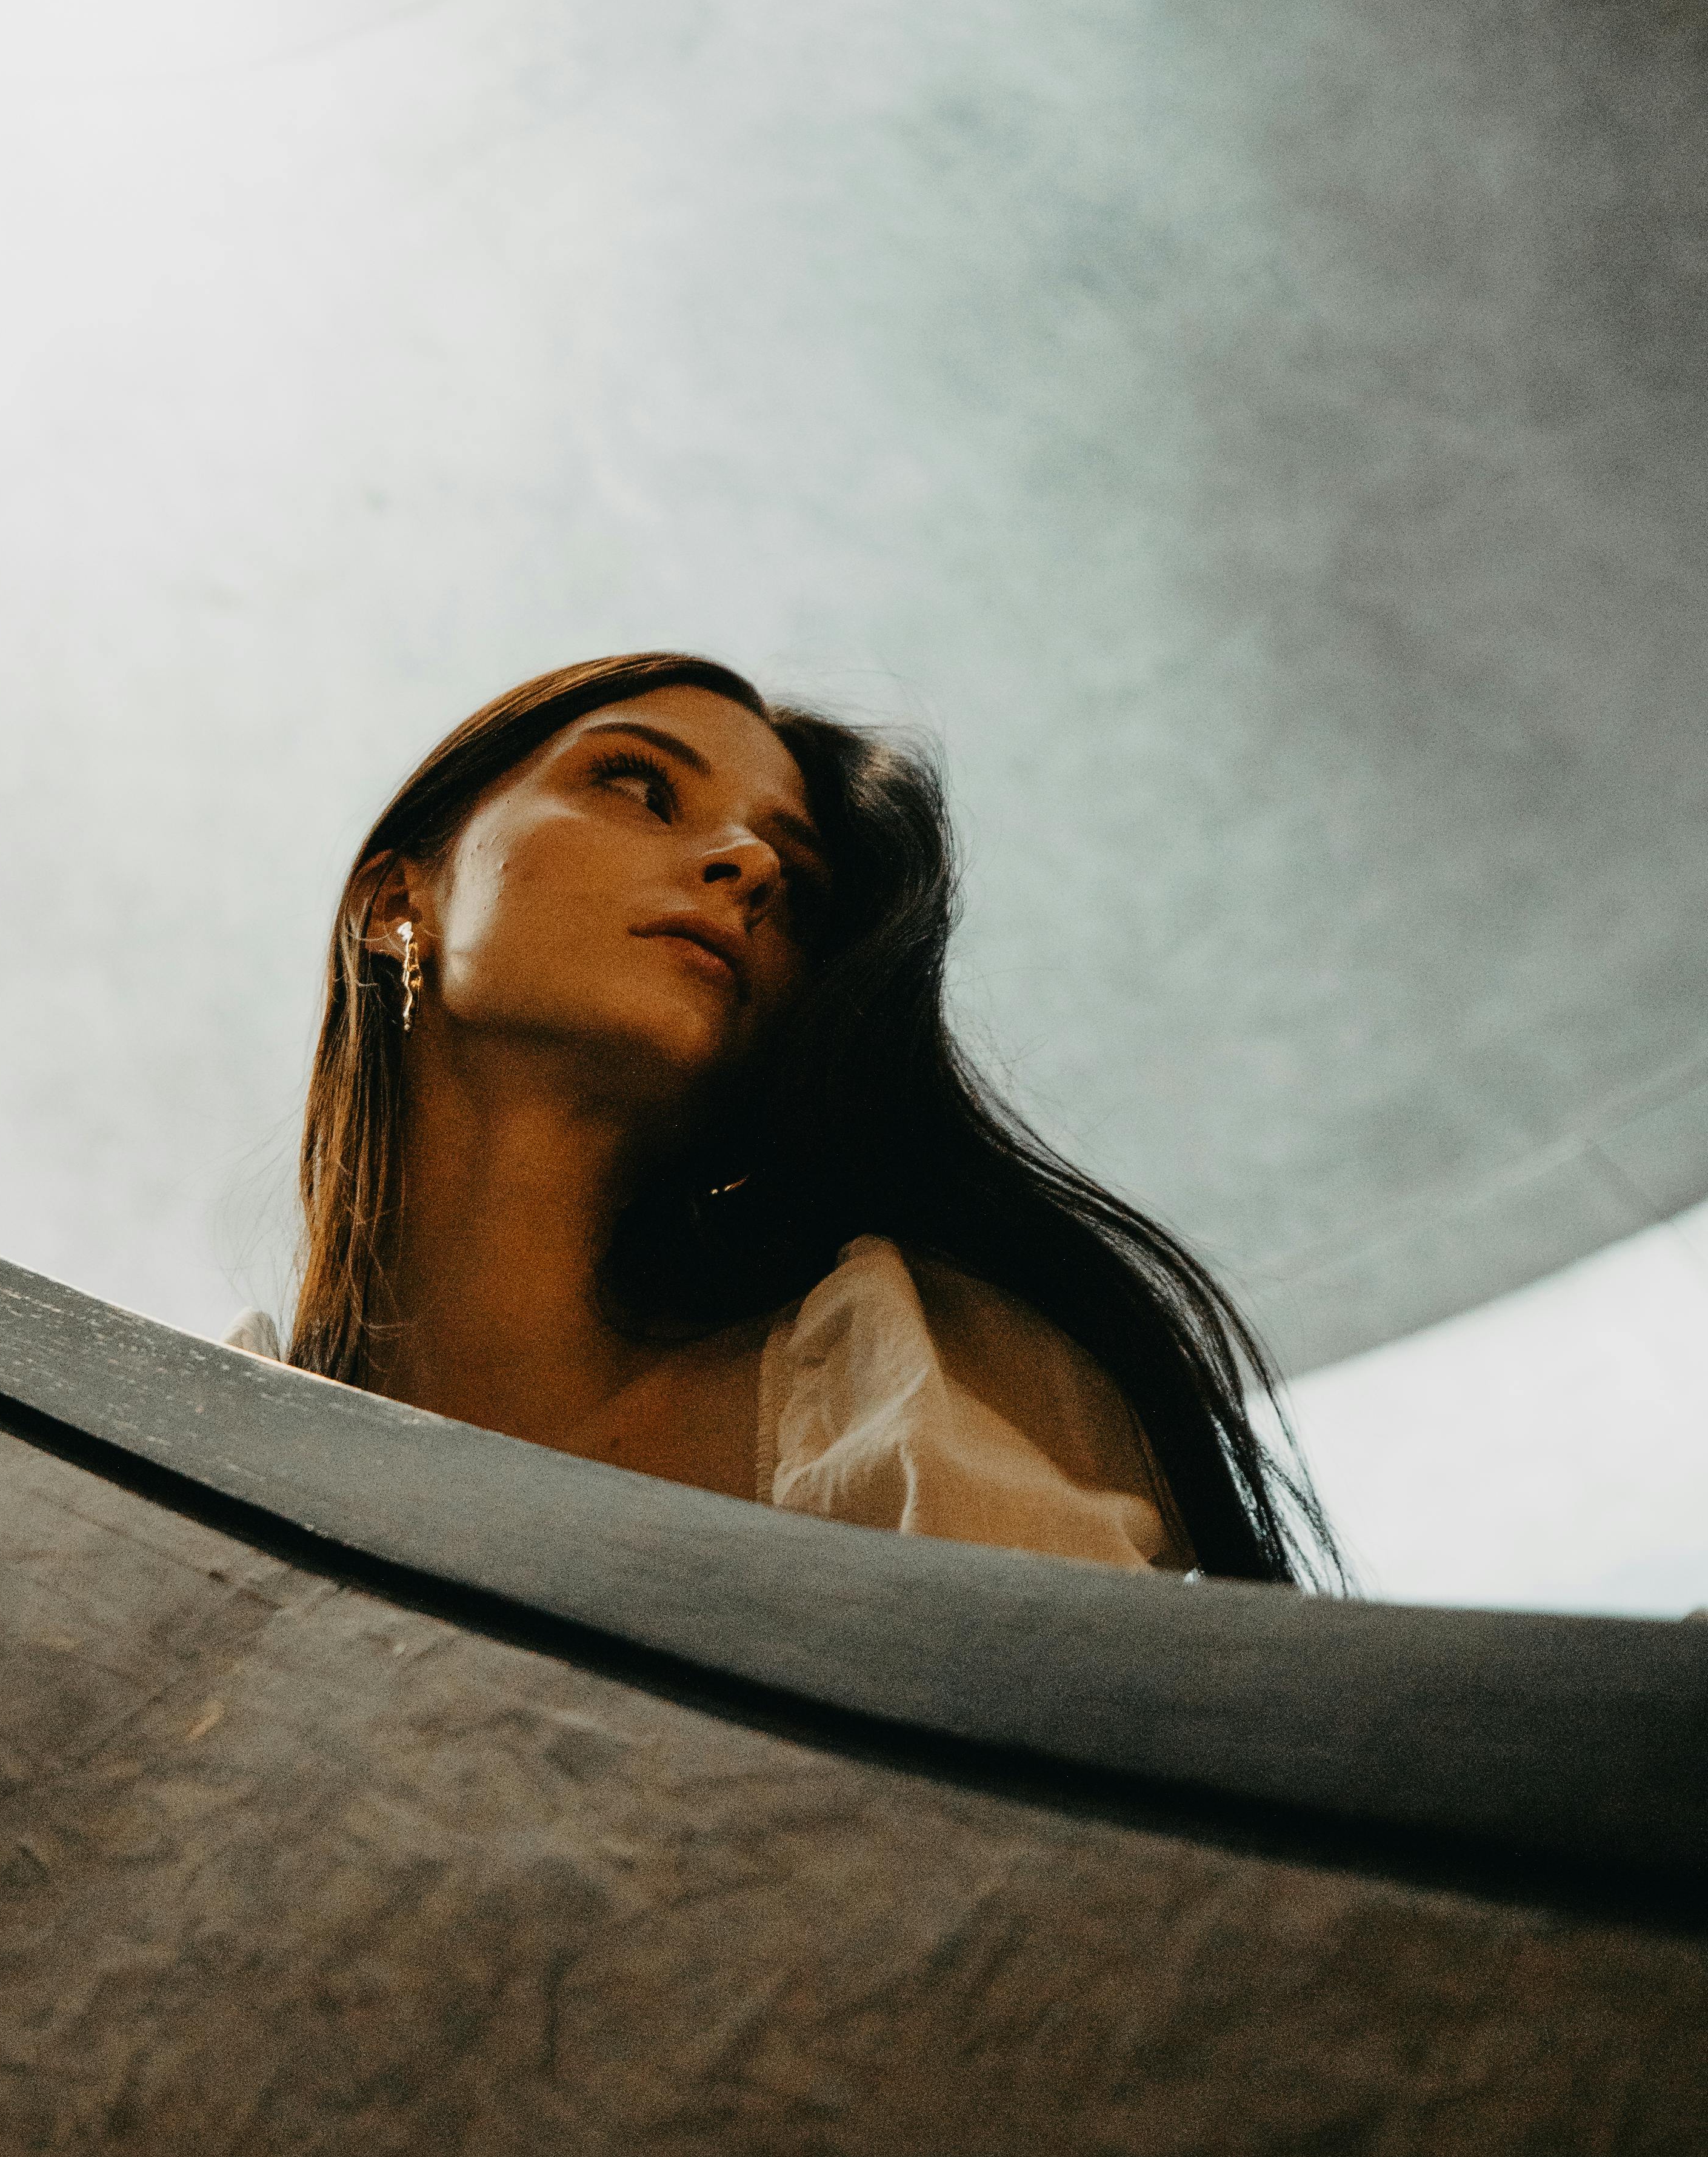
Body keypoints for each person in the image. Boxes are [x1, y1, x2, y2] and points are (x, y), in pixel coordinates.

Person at [230, 653, 1336, 1583]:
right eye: (637, 785)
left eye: (799, 886)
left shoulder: (900, 1376)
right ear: (394, 901)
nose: (749, 865)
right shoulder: (192, 1431)